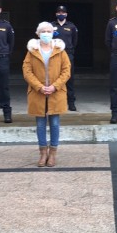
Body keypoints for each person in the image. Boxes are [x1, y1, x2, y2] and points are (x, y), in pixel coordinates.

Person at [22, 22, 71, 167]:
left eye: (49, 31)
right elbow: (27, 71)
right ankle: (43, 154)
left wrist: (55, 86)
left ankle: (53, 154)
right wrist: (39, 86)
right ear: (38, 33)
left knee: (55, 123)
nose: (46, 33)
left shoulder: (60, 50)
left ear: (53, 33)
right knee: (40, 125)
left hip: (56, 92)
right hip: (38, 93)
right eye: (43, 31)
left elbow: (66, 70)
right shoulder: (32, 50)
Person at [52, 5, 78, 111]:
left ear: (66, 14)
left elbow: (75, 41)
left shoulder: (71, 26)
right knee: (55, 78)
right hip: (54, 55)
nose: (61, 14)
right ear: (56, 14)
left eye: (63, 13)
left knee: (69, 78)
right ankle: (55, 102)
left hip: (68, 54)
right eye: (59, 12)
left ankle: (71, 102)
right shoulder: (51, 26)